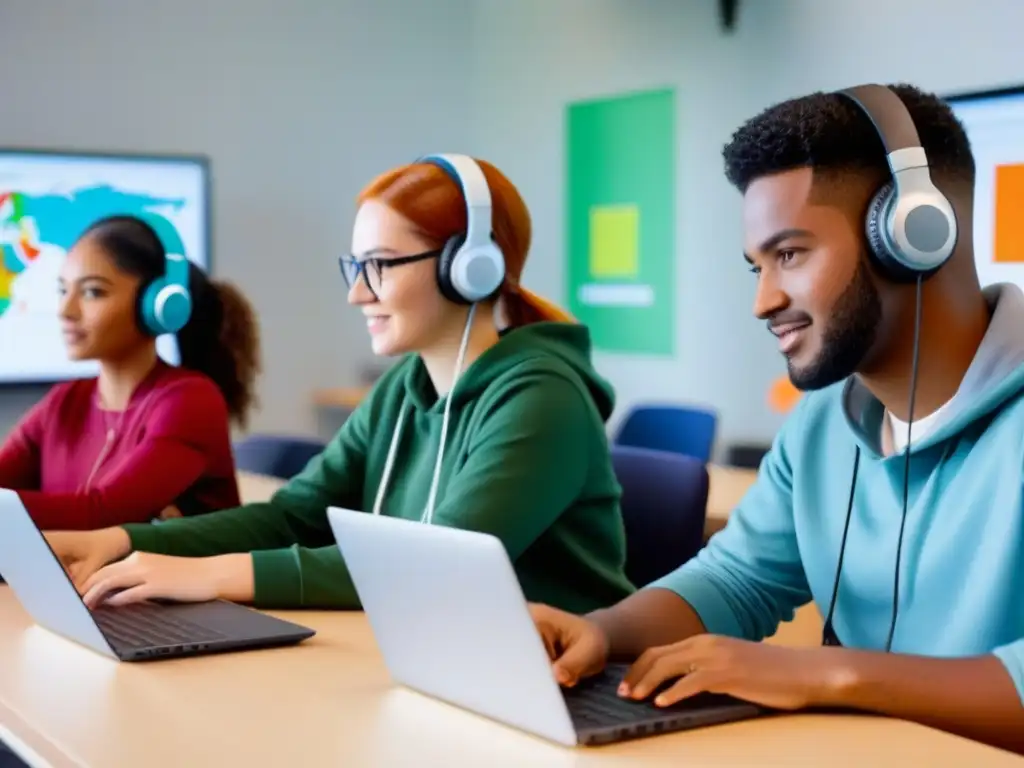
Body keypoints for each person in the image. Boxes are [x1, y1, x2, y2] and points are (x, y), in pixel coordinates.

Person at [530, 84, 1024, 754]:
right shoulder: (824, 421)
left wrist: (828, 674)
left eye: (790, 254)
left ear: (915, 234)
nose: (763, 301)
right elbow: (738, 578)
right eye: (756, 266)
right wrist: (602, 631)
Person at [45, 154, 636, 614]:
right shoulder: (404, 389)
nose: (357, 293)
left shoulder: (543, 398)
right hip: (436, 654)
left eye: (378, 265)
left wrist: (213, 574)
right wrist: (122, 541)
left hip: (558, 682)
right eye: (356, 268)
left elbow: (438, 565)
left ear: (469, 267)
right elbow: (292, 518)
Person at [0, 214, 261, 529]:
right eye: (63, 290)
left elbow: (103, 515)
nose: (65, 311)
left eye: (92, 292)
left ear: (156, 306)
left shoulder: (190, 400)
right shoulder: (65, 402)